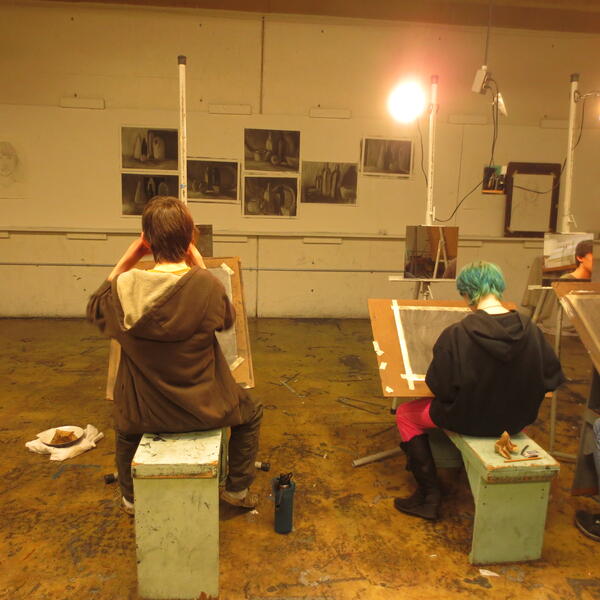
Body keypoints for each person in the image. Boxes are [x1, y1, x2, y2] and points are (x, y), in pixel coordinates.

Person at [86, 196, 263, 515]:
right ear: (190, 239)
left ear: (146, 240)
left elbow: (95, 309)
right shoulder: (206, 286)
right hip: (206, 409)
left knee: (124, 426)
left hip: (144, 413)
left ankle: (131, 498)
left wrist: (128, 258)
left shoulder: (124, 287)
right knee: (251, 413)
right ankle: (237, 490)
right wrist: (201, 266)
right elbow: (227, 319)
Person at [393, 261, 565, 521]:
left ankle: (429, 497)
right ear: (498, 287)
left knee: (406, 414)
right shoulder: (531, 330)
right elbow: (551, 379)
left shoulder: (457, 334)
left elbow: (440, 388)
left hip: (466, 419)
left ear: (466, 293)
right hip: (515, 421)